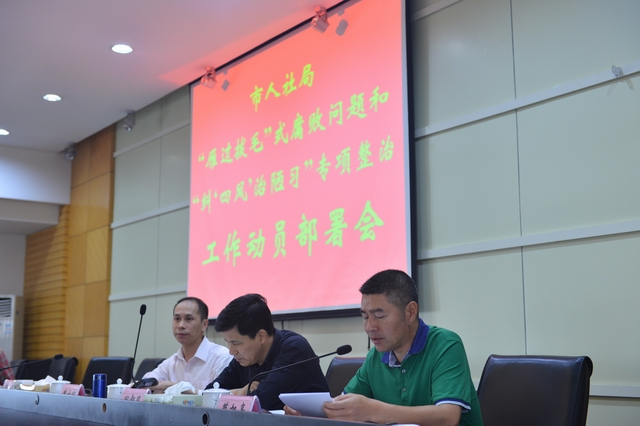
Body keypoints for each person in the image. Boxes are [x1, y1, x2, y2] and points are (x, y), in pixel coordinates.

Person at [288, 269, 483, 426]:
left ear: (410, 312)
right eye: (365, 316)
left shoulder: (445, 345)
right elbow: (344, 406)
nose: (370, 327)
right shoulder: (376, 357)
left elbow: (448, 417)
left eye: (379, 316)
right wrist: (307, 413)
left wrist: (374, 411)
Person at [206, 293, 329, 410]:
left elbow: (262, 402)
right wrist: (241, 391)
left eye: (236, 343)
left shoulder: (294, 349)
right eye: (227, 342)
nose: (231, 351)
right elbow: (208, 394)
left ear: (261, 336)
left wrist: (232, 394)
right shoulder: (244, 357)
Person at [141, 297, 232, 393]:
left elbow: (219, 398)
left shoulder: (222, 357)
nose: (181, 325)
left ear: (204, 324)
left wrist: (175, 387)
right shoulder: (171, 362)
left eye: (188, 319)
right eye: (177, 319)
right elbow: (143, 385)